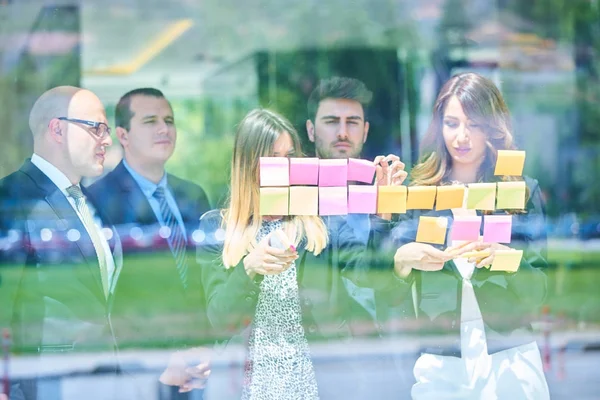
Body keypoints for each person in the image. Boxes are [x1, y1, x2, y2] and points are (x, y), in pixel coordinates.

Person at [197, 109, 401, 400]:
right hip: (249, 386)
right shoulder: (218, 228)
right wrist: (248, 269)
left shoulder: (322, 221)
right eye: (272, 157)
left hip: (320, 381)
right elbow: (219, 320)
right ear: (247, 164)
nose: (284, 166)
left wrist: (383, 210)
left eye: (289, 156)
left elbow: (369, 275)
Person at [391, 72, 549, 399]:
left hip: (511, 356)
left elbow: (539, 289)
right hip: (440, 359)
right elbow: (384, 294)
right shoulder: (419, 195)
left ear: (492, 127)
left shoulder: (518, 192)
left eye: (474, 125)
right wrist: (401, 262)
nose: (461, 137)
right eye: (451, 124)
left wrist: (502, 257)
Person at [86, 88, 212, 395]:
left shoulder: (193, 195)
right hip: (137, 365)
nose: (164, 129)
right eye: (150, 121)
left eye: (169, 120)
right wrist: (161, 363)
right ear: (123, 135)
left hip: (200, 363)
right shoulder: (98, 200)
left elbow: (209, 278)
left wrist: (207, 348)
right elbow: (101, 296)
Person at [0, 86, 124, 399]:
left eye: (107, 130)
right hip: (43, 385)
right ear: (57, 129)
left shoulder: (93, 203)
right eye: (97, 128)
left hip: (105, 383)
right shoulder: (11, 199)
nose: (106, 140)